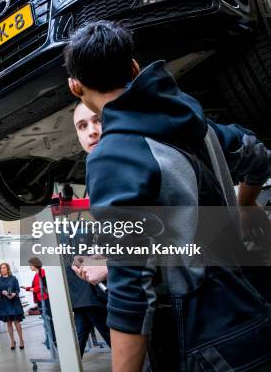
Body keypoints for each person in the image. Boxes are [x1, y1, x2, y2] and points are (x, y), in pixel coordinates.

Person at [63, 20, 271, 371]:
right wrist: (246, 203)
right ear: (134, 68)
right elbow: (259, 156)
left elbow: (132, 290)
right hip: (250, 319)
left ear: (75, 86)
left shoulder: (114, 156)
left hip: (200, 345)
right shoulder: (202, 129)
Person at [67, 102, 112, 357]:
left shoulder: (131, 165)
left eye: (98, 121)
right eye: (82, 126)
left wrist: (108, 266)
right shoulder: (98, 173)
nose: (91, 131)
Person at [23, 257, 56, 345]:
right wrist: (27, 288)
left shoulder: (43, 272)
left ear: (35, 264)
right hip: (40, 300)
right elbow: (36, 287)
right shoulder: (36, 274)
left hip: (45, 299)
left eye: (30, 265)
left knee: (49, 320)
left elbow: (43, 286)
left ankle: (53, 340)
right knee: (45, 321)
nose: (29, 266)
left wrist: (32, 289)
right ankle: (49, 340)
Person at [0, 262, 25, 350]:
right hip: (5, 303)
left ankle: (21, 340)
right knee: (9, 323)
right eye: (1, 268)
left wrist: (14, 294)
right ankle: (12, 340)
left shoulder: (13, 278)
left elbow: (17, 289)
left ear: (8, 269)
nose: (3, 269)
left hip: (14, 302)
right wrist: (2, 292)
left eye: (4, 268)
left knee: (17, 322)